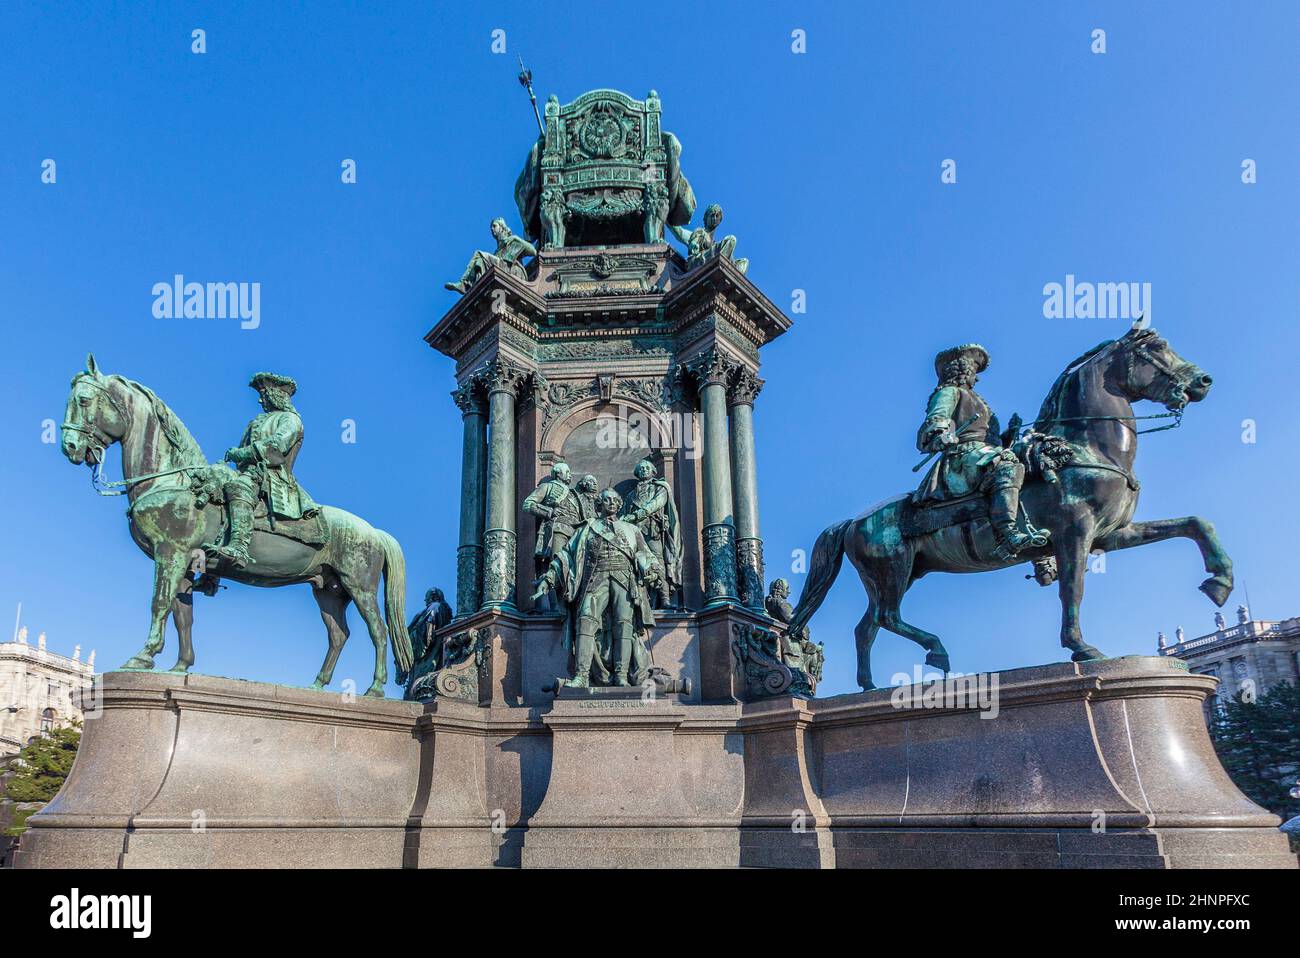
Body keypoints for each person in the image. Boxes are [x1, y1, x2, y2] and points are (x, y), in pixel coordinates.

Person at [912, 344, 1035, 558]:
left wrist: (1010, 433)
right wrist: (941, 433)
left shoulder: (981, 402)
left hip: (983, 453)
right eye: (973, 372)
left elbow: (992, 440)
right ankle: (1007, 533)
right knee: (1006, 465)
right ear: (961, 371)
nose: (976, 379)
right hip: (962, 457)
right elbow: (936, 419)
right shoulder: (949, 393)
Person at [214, 372, 317, 569]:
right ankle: (212, 571)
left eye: (264, 395)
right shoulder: (256, 422)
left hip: (272, 477)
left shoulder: (290, 419)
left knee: (239, 486)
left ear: (276, 396)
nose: (261, 400)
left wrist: (242, 454)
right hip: (249, 472)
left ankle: (239, 548)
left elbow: (276, 446)